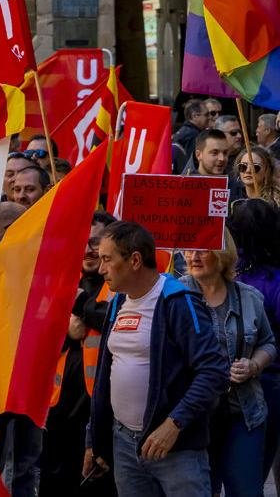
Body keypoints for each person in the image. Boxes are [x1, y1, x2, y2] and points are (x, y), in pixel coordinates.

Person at [84, 221, 228, 495]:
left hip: (176, 450)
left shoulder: (178, 301)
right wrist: (94, 438)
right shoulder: (118, 301)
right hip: (124, 444)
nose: (101, 269)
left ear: (135, 260)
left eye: (107, 259)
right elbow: (106, 373)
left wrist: (173, 425)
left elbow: (213, 371)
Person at [180, 233, 275, 497]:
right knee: (200, 491)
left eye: (203, 250)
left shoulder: (249, 297)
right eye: (189, 250)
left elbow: (269, 343)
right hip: (192, 418)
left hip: (243, 414)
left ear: (222, 254)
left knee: (245, 491)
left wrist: (253, 365)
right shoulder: (174, 296)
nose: (193, 256)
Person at [41, 212, 117, 497]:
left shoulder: (118, 284)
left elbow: (115, 320)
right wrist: (65, 333)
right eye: (82, 241)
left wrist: (81, 304)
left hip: (101, 408)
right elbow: (36, 336)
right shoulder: (59, 280)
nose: (87, 249)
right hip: (58, 409)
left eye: (95, 242)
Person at [227, 199, 280, 480]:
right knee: (251, 474)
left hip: (264, 380)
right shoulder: (230, 273)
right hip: (260, 381)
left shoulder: (229, 274)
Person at [172, 99, 209, 166]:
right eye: (206, 115)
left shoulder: (183, 131)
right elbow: (193, 163)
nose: (209, 117)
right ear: (194, 116)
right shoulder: (193, 135)